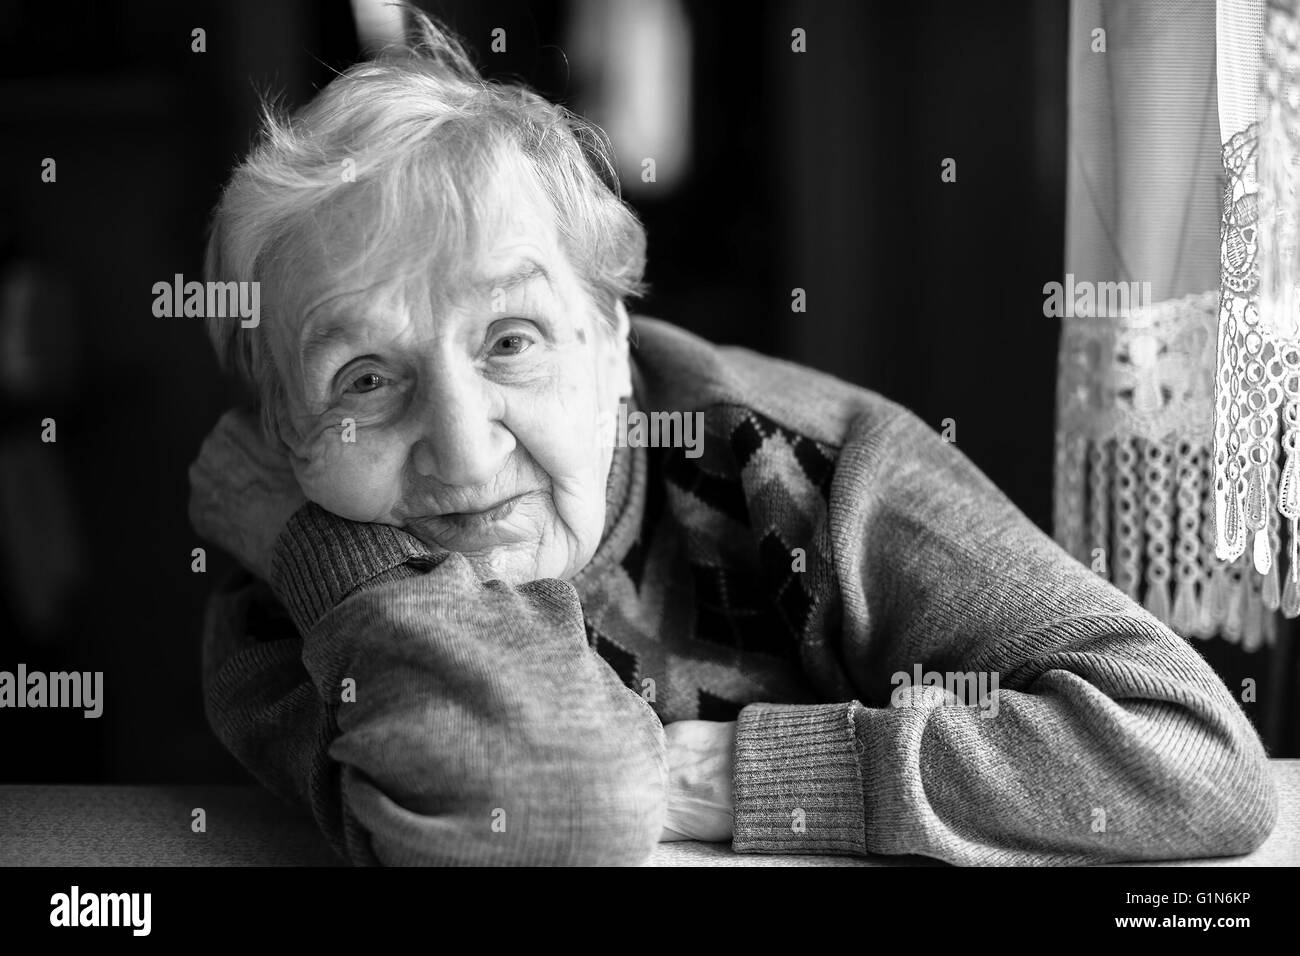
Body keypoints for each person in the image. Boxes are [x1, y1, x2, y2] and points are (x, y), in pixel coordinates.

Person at [188, 13, 1278, 866]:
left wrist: (744, 773)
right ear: (282, 431)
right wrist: (338, 571)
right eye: (366, 379)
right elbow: (546, 811)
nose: (466, 453)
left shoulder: (808, 466)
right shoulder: (310, 578)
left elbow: (1190, 756)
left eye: (512, 339)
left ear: (612, 342)